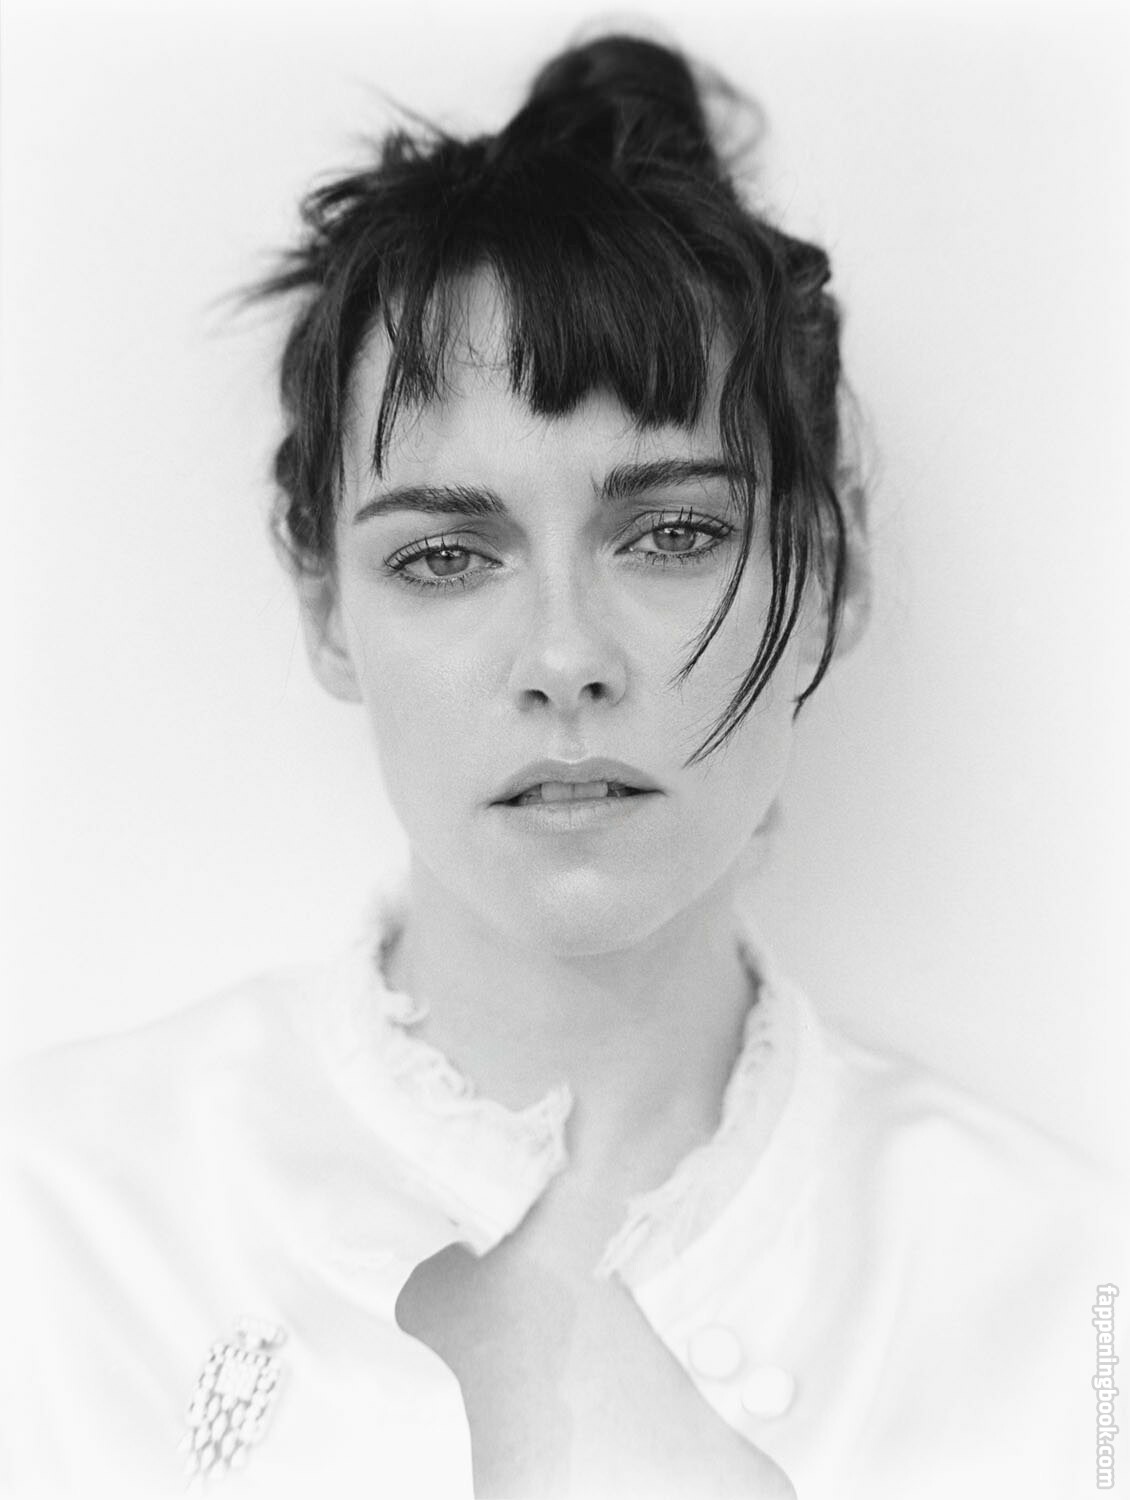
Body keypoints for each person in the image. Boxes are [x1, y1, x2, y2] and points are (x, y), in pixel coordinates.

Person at [1, 30, 1122, 1500]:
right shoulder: (55, 1225)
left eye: (673, 533)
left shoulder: (1068, 1306)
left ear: (829, 569)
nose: (563, 655)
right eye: (445, 555)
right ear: (325, 605)